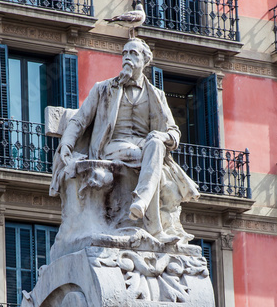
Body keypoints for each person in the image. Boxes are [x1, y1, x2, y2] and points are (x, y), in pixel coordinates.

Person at [49, 38, 199, 237]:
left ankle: (142, 201)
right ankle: (153, 224)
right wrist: (67, 143)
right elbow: (79, 121)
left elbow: (174, 132)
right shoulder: (103, 89)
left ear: (145, 60)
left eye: (133, 53)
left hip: (146, 147)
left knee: (154, 143)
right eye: (125, 53)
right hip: (114, 146)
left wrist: (162, 136)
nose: (127, 57)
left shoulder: (157, 95)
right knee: (151, 155)